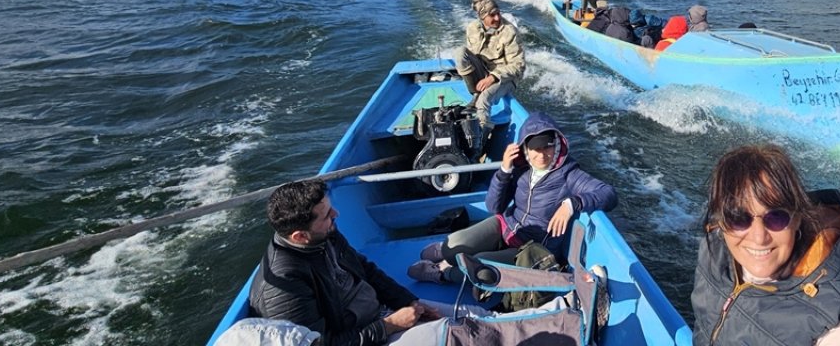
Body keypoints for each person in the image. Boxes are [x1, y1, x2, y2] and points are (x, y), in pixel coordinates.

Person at [691, 145, 840, 346]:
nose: (759, 237)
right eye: (738, 217)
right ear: (721, 219)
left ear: (798, 218)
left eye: (776, 217)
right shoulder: (715, 251)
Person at [409, 111, 618, 284]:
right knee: (453, 244)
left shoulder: (569, 174)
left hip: (531, 249)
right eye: (535, 147)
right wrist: (504, 170)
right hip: (506, 225)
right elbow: (493, 207)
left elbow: (608, 194)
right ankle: (445, 255)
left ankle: (441, 274)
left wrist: (572, 203)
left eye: (548, 144)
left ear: (557, 143)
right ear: (525, 149)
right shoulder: (521, 169)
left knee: (482, 269)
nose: (542, 153)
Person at [248, 179, 447, 345]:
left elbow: (366, 269)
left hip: (380, 315)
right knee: (461, 336)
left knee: (474, 315)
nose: (336, 214)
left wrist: (406, 301)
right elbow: (320, 343)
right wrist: (389, 326)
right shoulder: (284, 286)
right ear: (299, 236)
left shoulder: (324, 234)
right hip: (365, 336)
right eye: (327, 215)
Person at [458, 0, 525, 130]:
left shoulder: (509, 32)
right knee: (460, 54)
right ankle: (475, 93)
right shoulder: (472, 29)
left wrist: (493, 77)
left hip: (505, 77)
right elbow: (473, 56)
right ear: (482, 17)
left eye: (498, 13)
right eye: (492, 15)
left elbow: (518, 66)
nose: (497, 17)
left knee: (483, 101)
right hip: (484, 71)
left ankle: (482, 136)